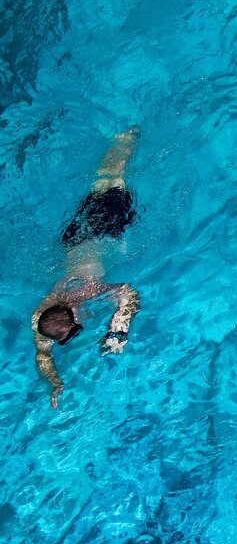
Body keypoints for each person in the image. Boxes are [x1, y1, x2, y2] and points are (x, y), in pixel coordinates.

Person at [32, 127, 142, 409]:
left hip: (102, 230)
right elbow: (43, 355)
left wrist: (119, 329)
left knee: (114, 180)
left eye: (77, 327)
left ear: (73, 312)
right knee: (100, 185)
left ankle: (127, 136)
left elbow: (129, 293)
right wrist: (56, 383)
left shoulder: (87, 290)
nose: (81, 324)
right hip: (73, 238)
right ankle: (121, 141)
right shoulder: (41, 316)